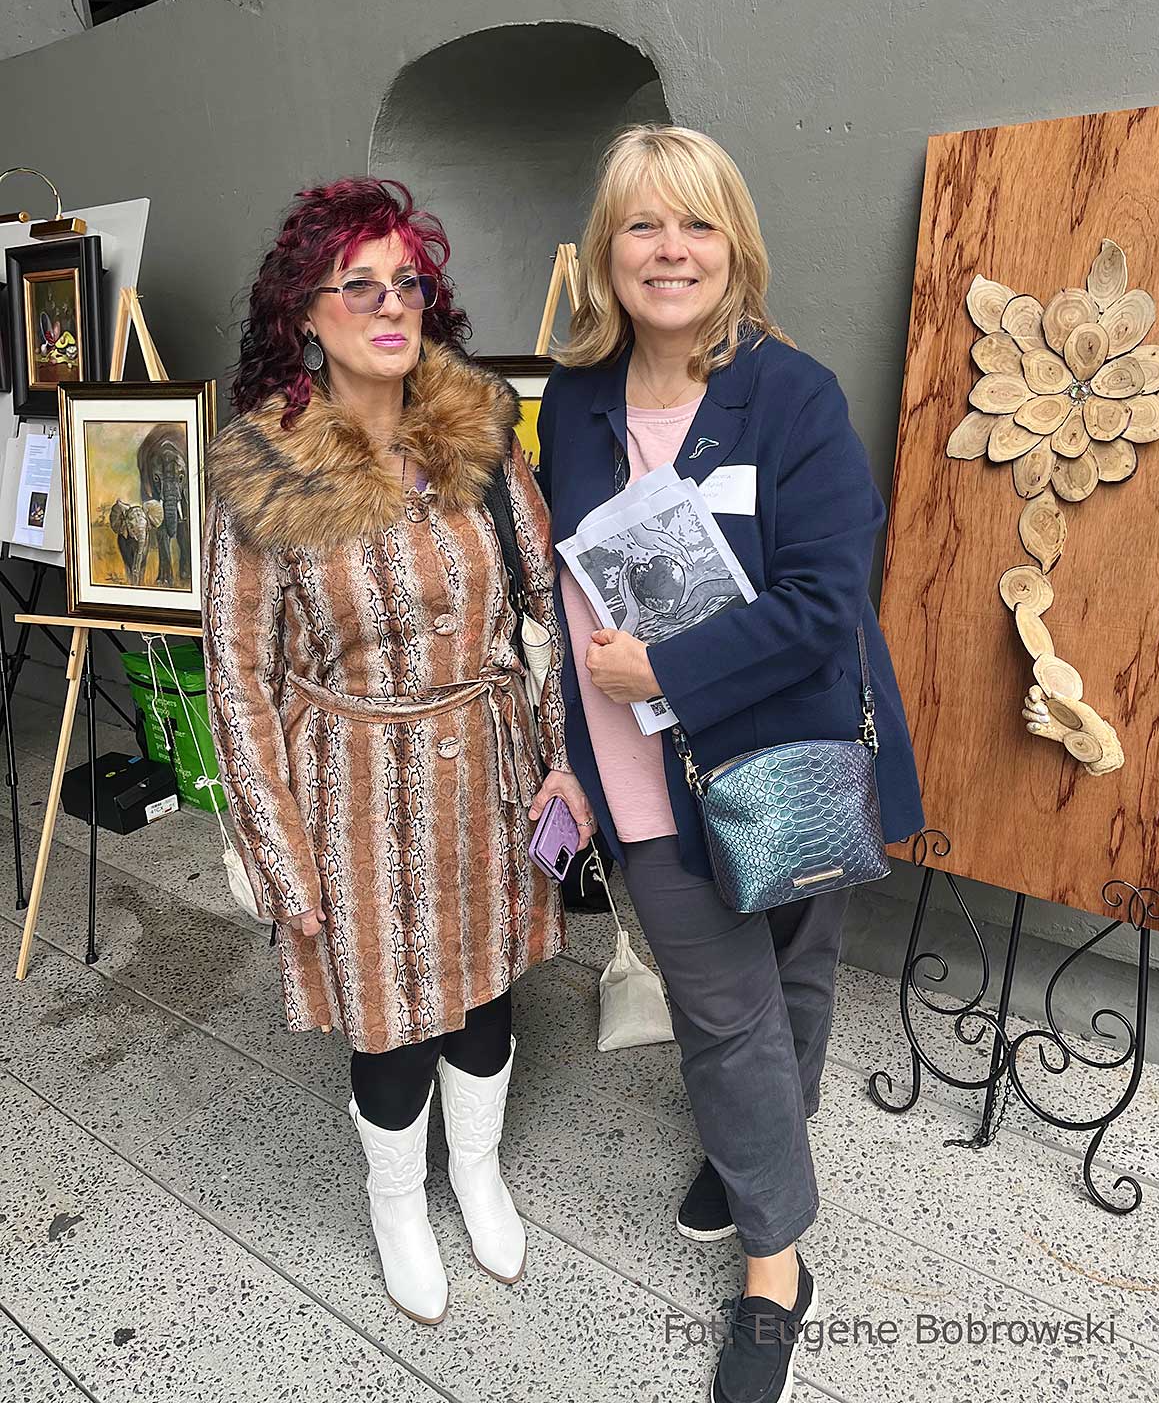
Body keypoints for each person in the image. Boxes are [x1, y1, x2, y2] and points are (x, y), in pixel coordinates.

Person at [537, 127, 923, 1403]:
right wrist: (570, 749)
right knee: (724, 1012)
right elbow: (564, 585)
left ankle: (763, 1152)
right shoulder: (576, 400)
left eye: (696, 223)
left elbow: (828, 599)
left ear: (734, 245)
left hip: (784, 759)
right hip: (640, 771)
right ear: (607, 250)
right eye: (642, 224)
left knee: (796, 976)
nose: (671, 250)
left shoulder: (792, 395)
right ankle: (776, 1269)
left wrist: (671, 669)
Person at [202, 177, 593, 1326]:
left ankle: (475, 1170)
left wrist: (565, 757)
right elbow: (238, 677)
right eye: (358, 284)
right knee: (393, 1021)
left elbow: (548, 599)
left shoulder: (477, 436)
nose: (389, 304)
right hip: (353, 791)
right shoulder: (265, 472)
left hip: (488, 767)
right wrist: (281, 854)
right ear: (303, 314)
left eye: (406, 282)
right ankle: (396, 1204)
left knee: (484, 997)